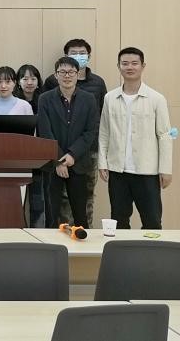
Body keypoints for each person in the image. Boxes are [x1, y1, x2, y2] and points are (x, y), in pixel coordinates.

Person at [98, 47, 172, 229]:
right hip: (118, 171)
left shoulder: (156, 98)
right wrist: (102, 162)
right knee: (119, 220)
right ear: (118, 66)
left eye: (134, 63)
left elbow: (164, 136)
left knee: (152, 220)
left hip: (147, 171)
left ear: (143, 66)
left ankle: (152, 249)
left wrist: (165, 169)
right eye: (125, 63)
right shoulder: (110, 98)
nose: (129, 67)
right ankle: (122, 249)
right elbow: (104, 132)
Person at [42, 38, 107, 228]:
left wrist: (71, 155)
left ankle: (81, 242)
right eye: (62, 72)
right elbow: (45, 132)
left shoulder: (89, 99)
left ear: (78, 74)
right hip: (53, 164)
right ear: (56, 75)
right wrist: (59, 159)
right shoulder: (45, 98)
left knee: (81, 215)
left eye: (71, 72)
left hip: (79, 162)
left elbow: (90, 130)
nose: (67, 76)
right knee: (53, 214)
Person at [14, 63, 49, 227]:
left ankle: (38, 233)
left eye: (33, 78)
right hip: (17, 158)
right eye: (25, 78)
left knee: (38, 201)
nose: (29, 82)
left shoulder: (45, 101)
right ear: (18, 81)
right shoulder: (13, 103)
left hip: (39, 159)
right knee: (15, 201)